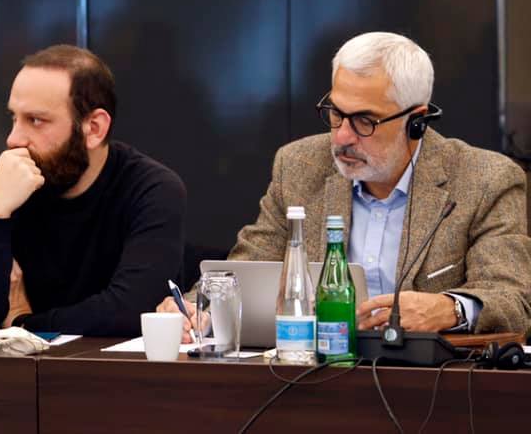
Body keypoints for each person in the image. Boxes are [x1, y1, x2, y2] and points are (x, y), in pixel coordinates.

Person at [158, 31, 531, 340]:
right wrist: (197, 307)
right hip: (313, 375)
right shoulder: (300, 165)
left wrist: (450, 309)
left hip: (429, 386)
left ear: (416, 121)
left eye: (365, 121)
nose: (342, 137)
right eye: (336, 113)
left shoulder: (484, 179)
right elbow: (249, 265)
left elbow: (512, 299)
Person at [0, 44, 187, 336]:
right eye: (14, 117)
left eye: (36, 120)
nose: (13, 139)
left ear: (94, 128)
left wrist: (22, 322)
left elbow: (131, 312)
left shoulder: (150, 190)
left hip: (114, 366)